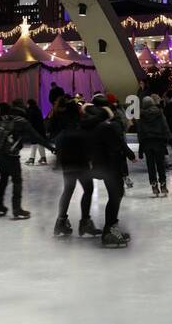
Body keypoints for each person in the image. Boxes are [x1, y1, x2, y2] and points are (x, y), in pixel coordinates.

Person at [0, 99, 53, 220]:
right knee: (17, 180)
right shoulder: (22, 122)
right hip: (11, 154)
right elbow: (36, 137)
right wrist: (51, 148)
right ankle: (17, 209)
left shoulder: (3, 118)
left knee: (3, 178)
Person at [89, 102, 136, 247]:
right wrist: (130, 155)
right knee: (116, 196)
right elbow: (119, 143)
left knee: (116, 195)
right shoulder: (106, 127)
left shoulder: (98, 127)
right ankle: (109, 231)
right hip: (110, 167)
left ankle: (110, 229)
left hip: (106, 167)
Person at [52, 102, 100, 238]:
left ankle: (60, 222)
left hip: (67, 162)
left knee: (68, 190)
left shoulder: (63, 121)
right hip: (80, 162)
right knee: (88, 189)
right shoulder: (80, 122)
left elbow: (58, 138)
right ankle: (85, 222)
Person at [136, 94, 171, 197]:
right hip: (158, 142)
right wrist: (168, 138)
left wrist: (141, 145)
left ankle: (154, 186)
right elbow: (165, 126)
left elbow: (140, 131)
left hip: (147, 143)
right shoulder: (159, 113)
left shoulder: (141, 116)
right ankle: (163, 185)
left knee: (150, 165)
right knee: (160, 164)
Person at [23, 99, 48, 165]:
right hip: (40, 130)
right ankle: (43, 158)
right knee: (39, 143)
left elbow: (31, 122)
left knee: (34, 144)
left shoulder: (30, 111)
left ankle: (32, 158)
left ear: (29, 104)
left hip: (34, 130)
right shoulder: (38, 110)